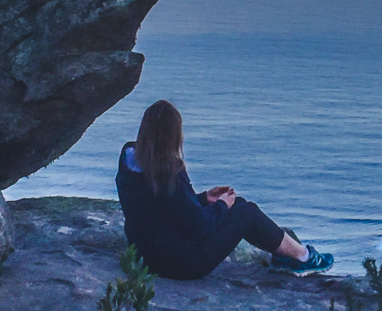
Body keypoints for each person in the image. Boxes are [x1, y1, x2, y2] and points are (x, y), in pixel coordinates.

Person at [115, 100, 334, 280]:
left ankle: (286, 256)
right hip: (182, 265)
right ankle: (303, 258)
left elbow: (163, 207)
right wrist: (221, 205)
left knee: (238, 205)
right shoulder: (170, 170)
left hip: (143, 257)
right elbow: (198, 227)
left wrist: (204, 198)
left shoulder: (129, 159)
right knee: (245, 211)